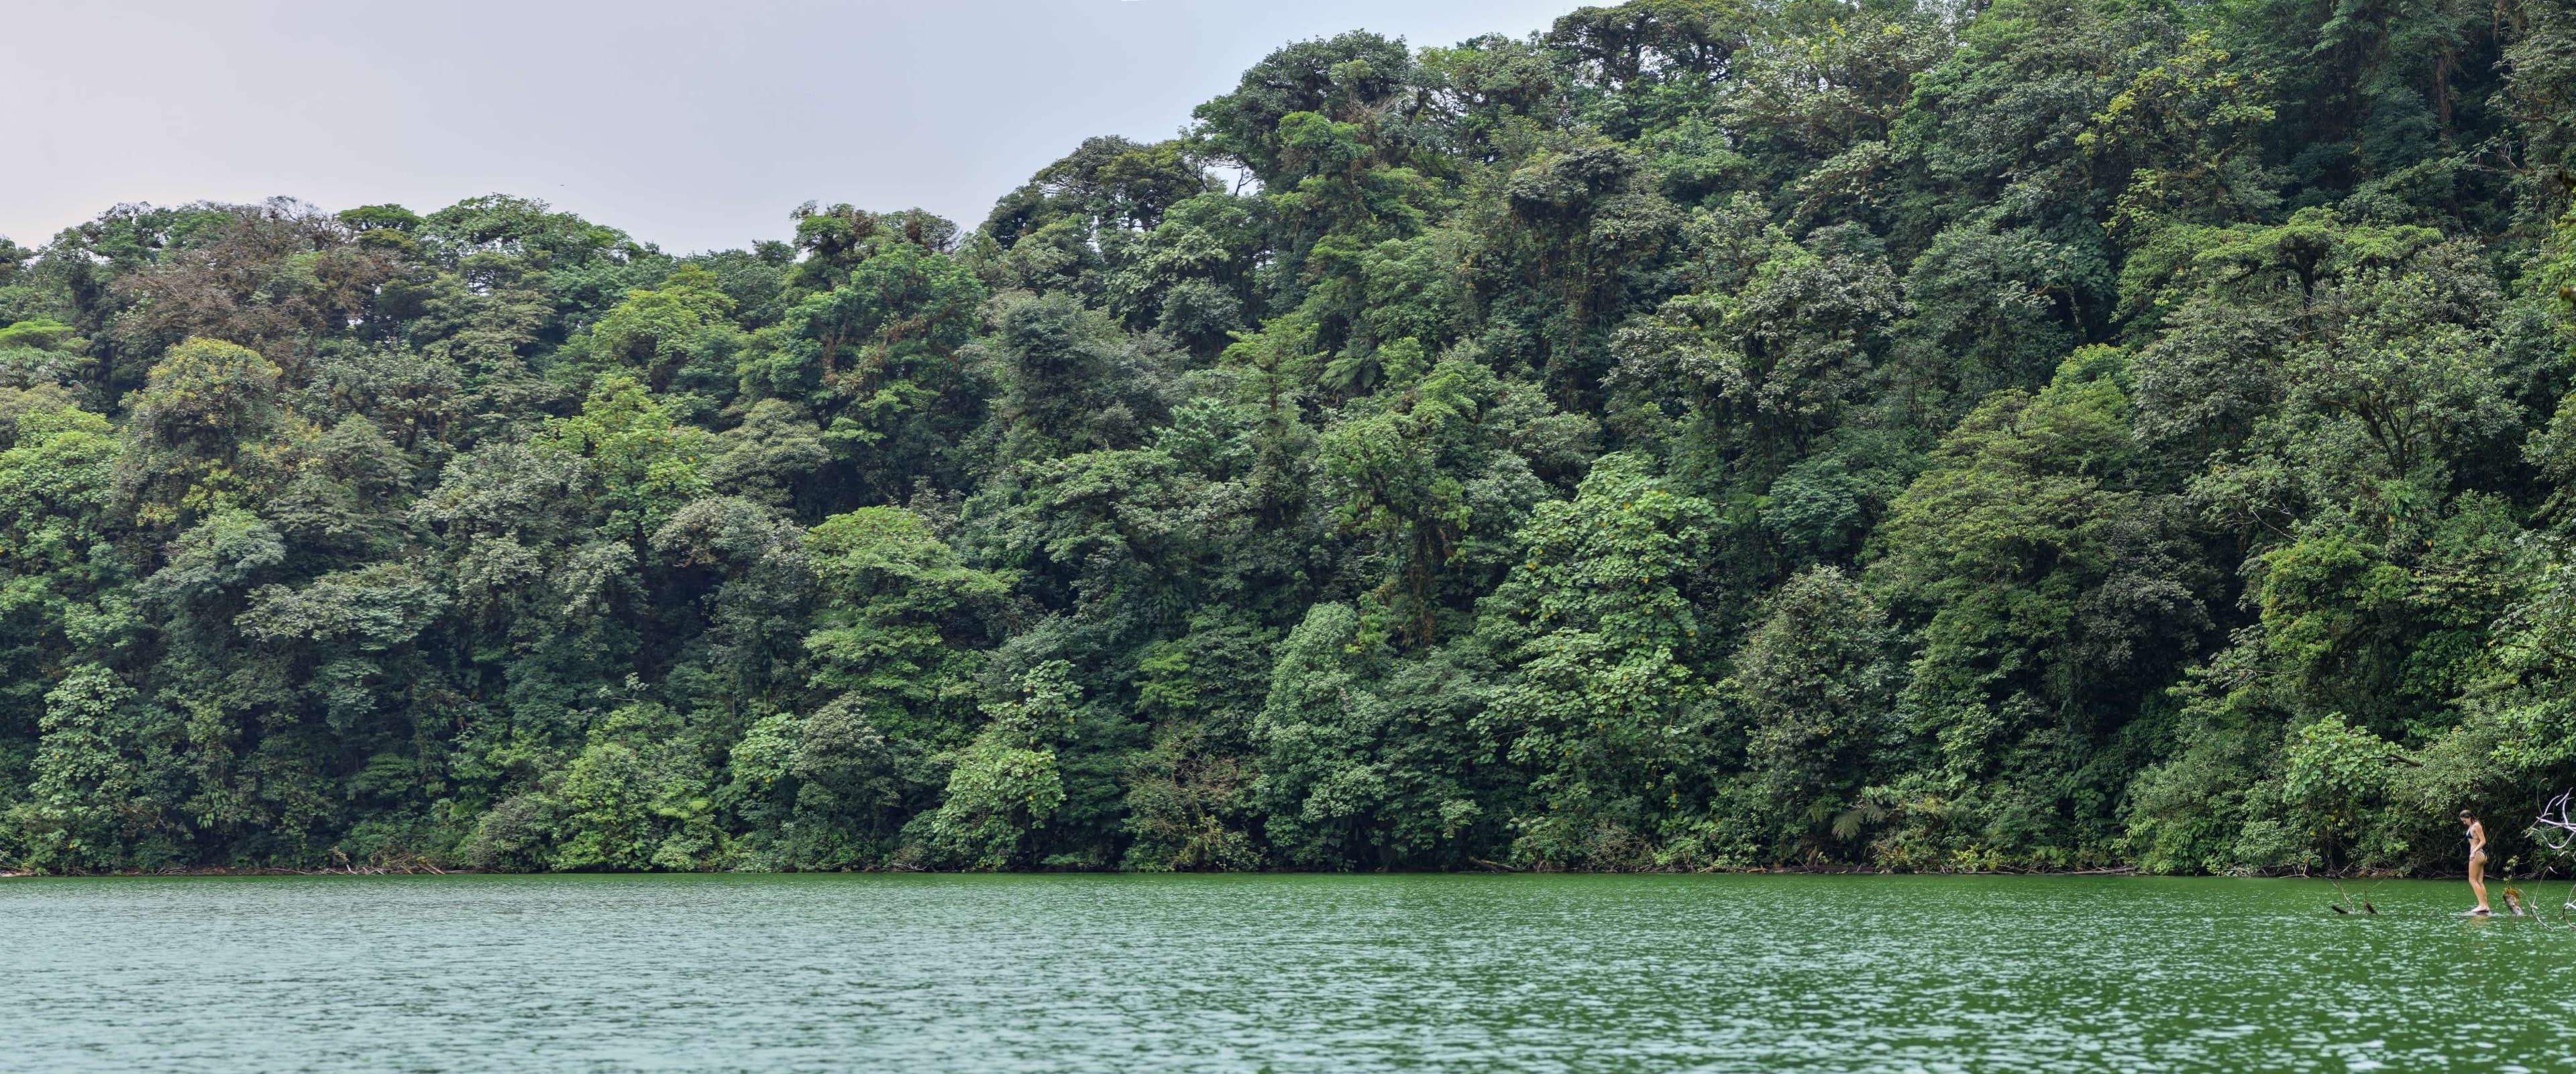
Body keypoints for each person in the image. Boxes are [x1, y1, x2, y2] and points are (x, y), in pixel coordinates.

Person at [2461, 810, 2491, 917]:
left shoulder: (2477, 826)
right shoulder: (2473, 826)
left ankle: (2482, 905)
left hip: (2477, 854)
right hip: (2479, 855)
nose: (2464, 823)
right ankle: (2485, 906)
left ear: (2469, 817)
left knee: (2472, 880)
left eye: (2465, 821)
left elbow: (2483, 841)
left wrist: (2473, 852)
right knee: (2479, 881)